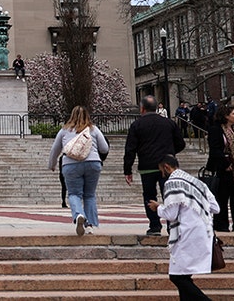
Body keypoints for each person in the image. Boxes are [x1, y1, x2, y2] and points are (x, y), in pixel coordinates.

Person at [148, 155, 218, 301]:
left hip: (186, 233)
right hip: (204, 231)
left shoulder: (172, 183)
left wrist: (158, 207)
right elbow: (215, 208)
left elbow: (171, 214)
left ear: (167, 167)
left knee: (177, 276)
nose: (161, 174)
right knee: (183, 276)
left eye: (161, 170)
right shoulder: (196, 182)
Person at [123, 95, 186, 235]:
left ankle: (155, 225)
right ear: (157, 107)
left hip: (147, 165)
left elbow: (130, 149)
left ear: (142, 108)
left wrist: (127, 169)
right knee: (170, 196)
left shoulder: (137, 125)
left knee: (149, 196)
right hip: (167, 166)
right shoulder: (169, 123)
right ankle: (172, 225)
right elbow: (181, 143)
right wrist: (170, 153)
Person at [48, 105, 110, 235]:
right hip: (93, 163)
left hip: (71, 164)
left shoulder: (65, 130)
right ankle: (90, 225)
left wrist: (52, 164)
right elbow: (104, 148)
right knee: (90, 195)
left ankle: (79, 215)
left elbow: (55, 149)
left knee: (74, 194)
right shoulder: (93, 129)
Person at [206, 102, 234, 232]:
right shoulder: (216, 129)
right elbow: (215, 149)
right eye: (233, 113)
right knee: (222, 198)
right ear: (226, 116)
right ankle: (221, 224)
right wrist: (226, 164)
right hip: (225, 168)